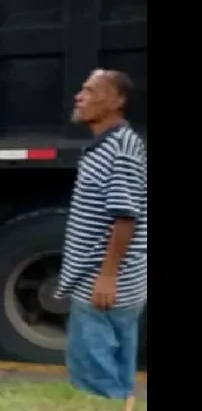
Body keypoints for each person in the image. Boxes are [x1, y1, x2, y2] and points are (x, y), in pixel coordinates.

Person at [55, 69, 147, 411]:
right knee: (119, 373)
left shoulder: (119, 150)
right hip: (119, 285)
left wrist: (106, 275)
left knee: (93, 380)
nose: (79, 96)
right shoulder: (116, 144)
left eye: (90, 90)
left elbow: (125, 217)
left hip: (102, 287)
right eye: (81, 89)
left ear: (116, 102)